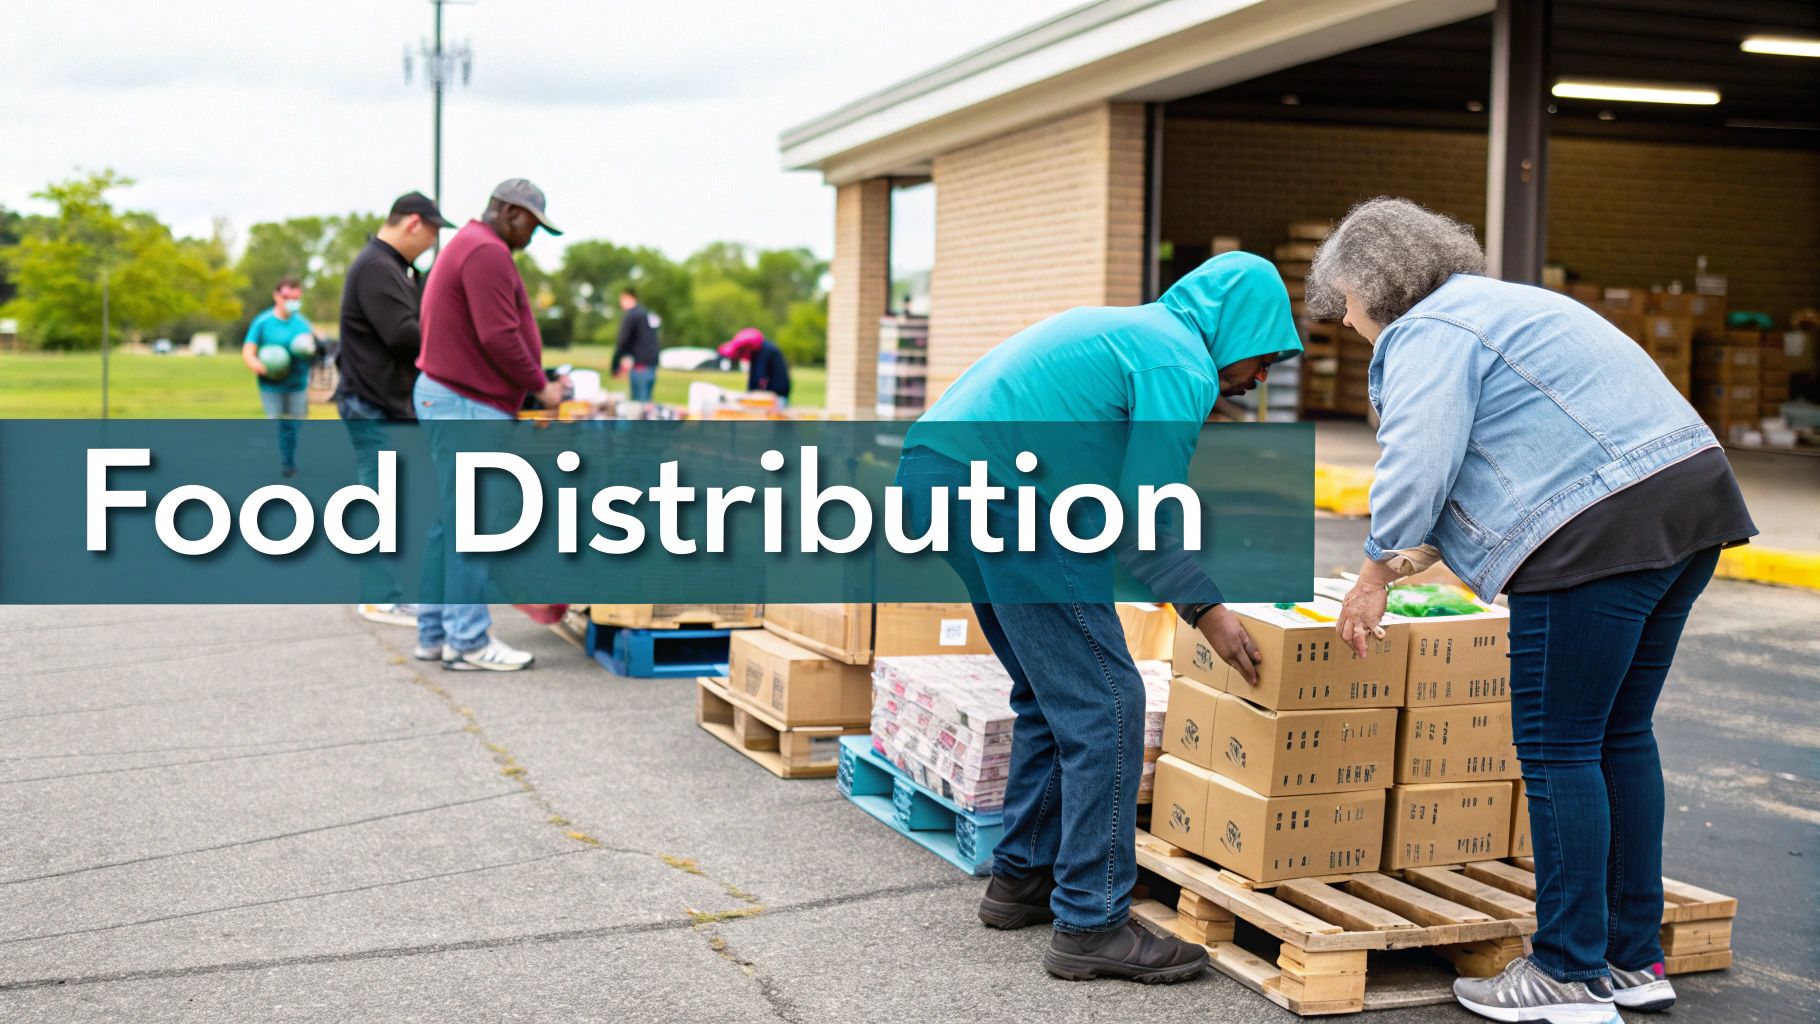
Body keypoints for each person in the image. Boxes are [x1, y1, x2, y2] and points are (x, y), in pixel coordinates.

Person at [1316, 198, 1755, 1023]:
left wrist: (1375, 572)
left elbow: (1421, 455)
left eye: (1341, 296)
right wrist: (1418, 556)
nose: (1342, 315)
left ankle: (1564, 971)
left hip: (1594, 536)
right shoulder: (1511, 305)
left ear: (1373, 282)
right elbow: (1523, 454)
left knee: (1558, 749)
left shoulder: (1428, 331)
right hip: (1689, 503)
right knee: (1619, 733)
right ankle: (1630, 960)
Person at [895, 252, 1301, 983]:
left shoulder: (1137, 333)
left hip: (936, 475)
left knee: (1055, 696)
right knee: (1110, 703)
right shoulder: (1181, 363)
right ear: (1236, 329)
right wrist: (1205, 608)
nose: (1261, 378)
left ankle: (1021, 879)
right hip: (1008, 496)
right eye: (1265, 356)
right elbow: (1145, 515)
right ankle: (1091, 922)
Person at [412, 179, 568, 671]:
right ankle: (468, 641)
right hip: (466, 403)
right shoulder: (486, 251)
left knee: (449, 524)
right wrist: (540, 387)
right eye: (529, 223)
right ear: (505, 210)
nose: (532, 235)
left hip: (452, 398)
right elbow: (499, 336)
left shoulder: (472, 246)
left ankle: (435, 634)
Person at [336, 190, 447, 627]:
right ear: (414, 223)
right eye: (434, 232)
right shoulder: (377, 266)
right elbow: (403, 334)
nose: (433, 242)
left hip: (380, 403)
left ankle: (383, 592)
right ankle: (379, 597)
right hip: (372, 404)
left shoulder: (392, 267)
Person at [243, 277, 315, 476]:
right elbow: (248, 351)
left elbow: (315, 349)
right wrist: (259, 365)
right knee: (277, 424)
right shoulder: (263, 322)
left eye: (296, 297)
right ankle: (285, 463)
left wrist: (312, 349)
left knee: (294, 425)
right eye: (287, 297)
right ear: (277, 296)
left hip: (297, 384)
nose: (291, 301)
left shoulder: (303, 324)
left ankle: (287, 458)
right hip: (271, 385)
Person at [719, 327, 791, 403]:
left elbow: (758, 377)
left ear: (748, 347)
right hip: (777, 395)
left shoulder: (763, 352)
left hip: (777, 398)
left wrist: (751, 396)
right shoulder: (761, 350)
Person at [613, 288, 661, 402]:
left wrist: (615, 365)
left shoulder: (632, 315)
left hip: (640, 366)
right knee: (647, 403)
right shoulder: (648, 314)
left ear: (628, 298)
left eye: (622, 300)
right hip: (652, 366)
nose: (621, 304)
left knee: (638, 405)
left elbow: (622, 341)